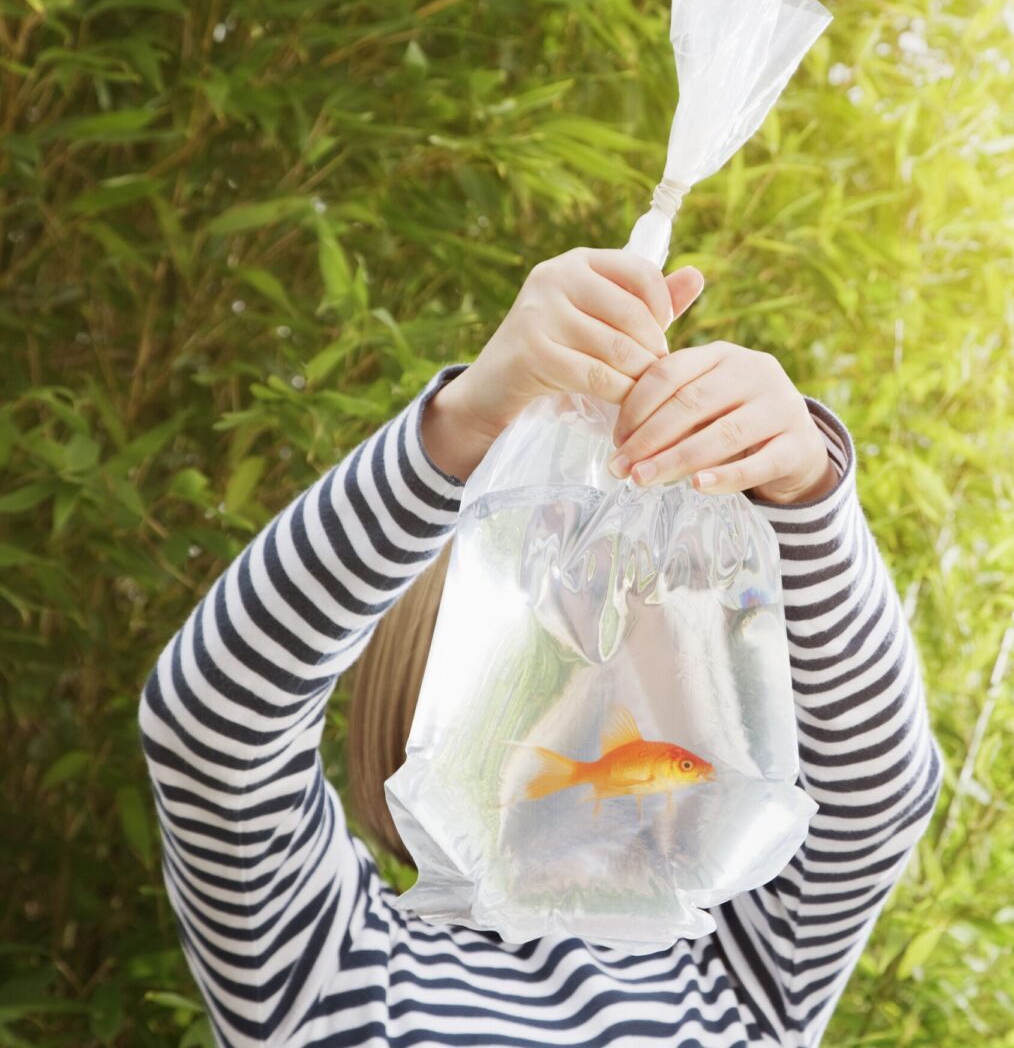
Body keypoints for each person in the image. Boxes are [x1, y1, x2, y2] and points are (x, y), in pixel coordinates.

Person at [138, 247, 943, 1047]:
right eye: (551, 656)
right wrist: (459, 429)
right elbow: (212, 725)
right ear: (424, 698)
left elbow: (875, 793)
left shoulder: (745, 972)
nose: (604, 673)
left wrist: (802, 494)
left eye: (655, 648)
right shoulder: (332, 966)